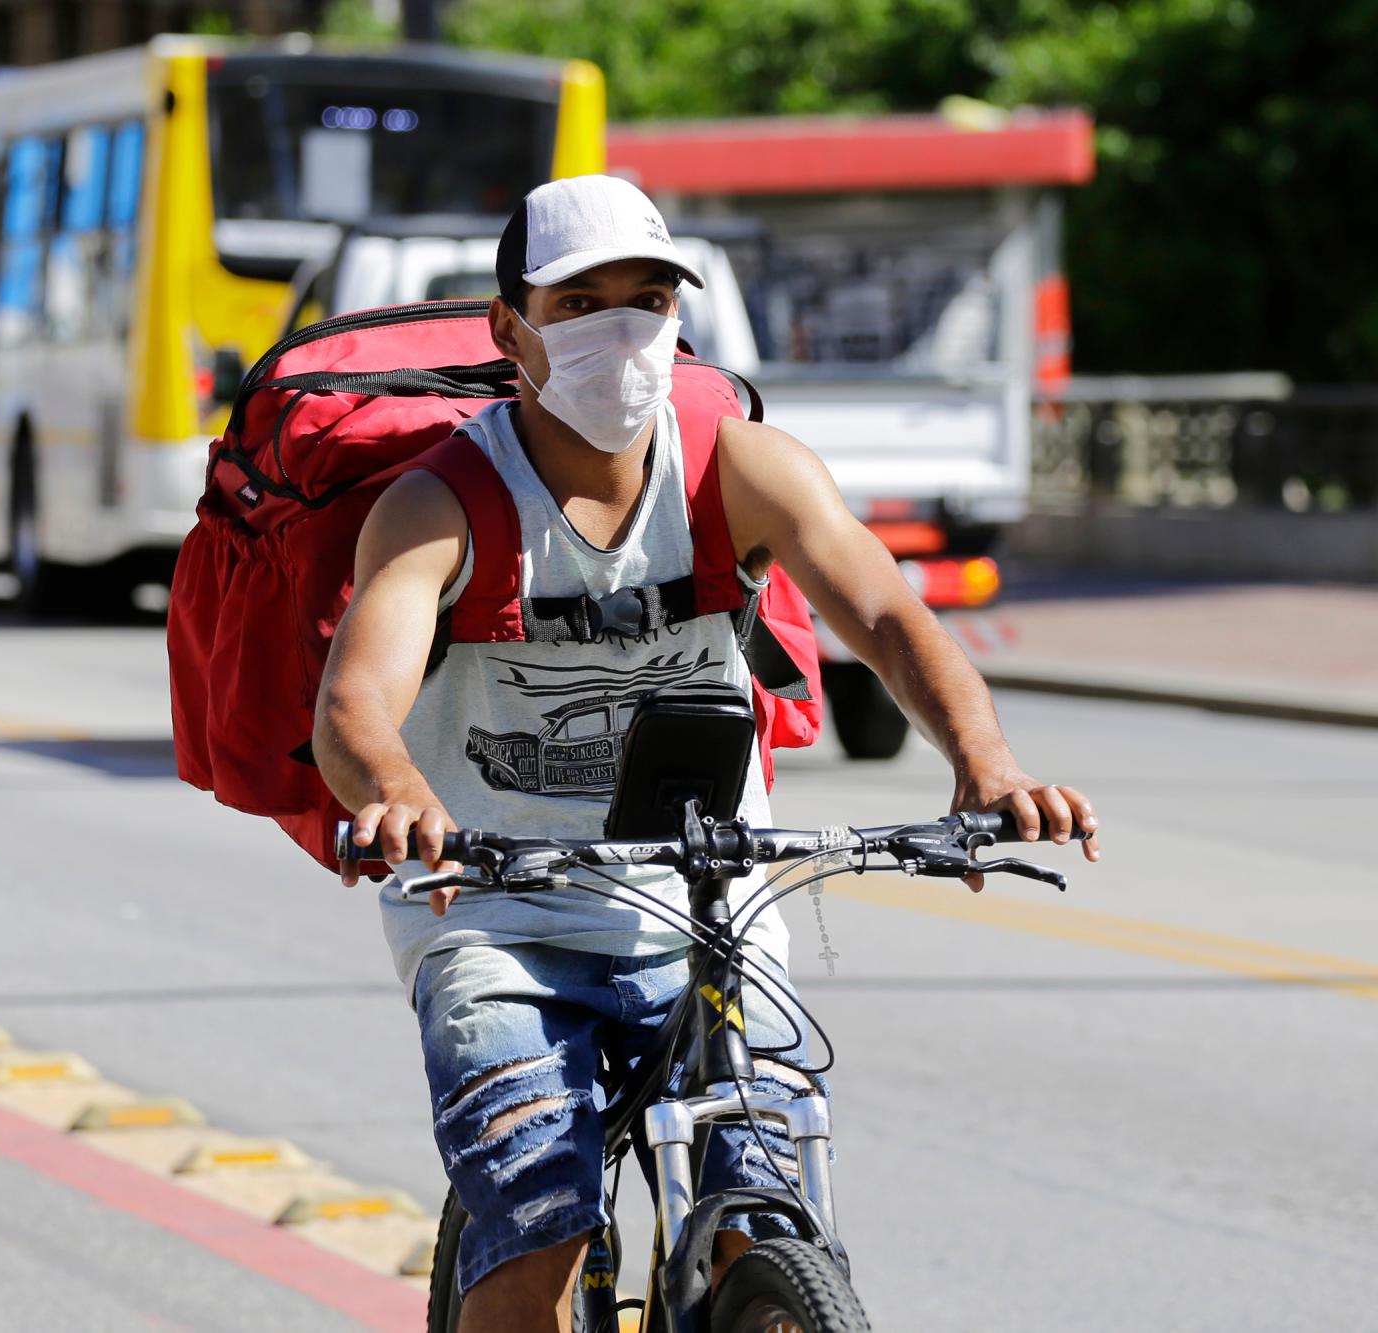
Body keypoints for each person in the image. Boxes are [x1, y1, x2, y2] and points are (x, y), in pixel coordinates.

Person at [312, 175, 1101, 1333]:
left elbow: (886, 619)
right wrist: (394, 796)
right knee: (541, 1222)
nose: (620, 331)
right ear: (508, 328)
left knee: (765, 1215)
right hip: (497, 915)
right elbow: (353, 700)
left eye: (647, 298)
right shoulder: (444, 503)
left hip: (709, 899)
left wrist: (982, 763)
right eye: (580, 303)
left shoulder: (739, 467)